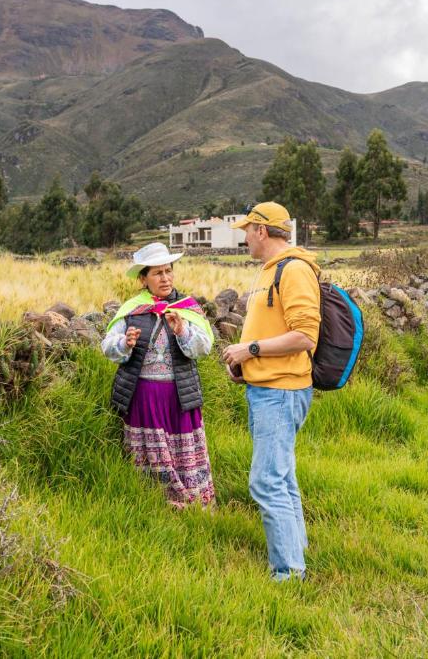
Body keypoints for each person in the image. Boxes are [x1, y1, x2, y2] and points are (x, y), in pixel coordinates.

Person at [221, 202, 321, 582]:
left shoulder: (293, 270)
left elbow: (304, 335)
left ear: (262, 231)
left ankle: (289, 573)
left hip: (281, 392)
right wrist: (247, 368)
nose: (245, 237)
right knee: (282, 476)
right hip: (267, 388)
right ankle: (298, 552)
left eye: (248, 230)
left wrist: (250, 351)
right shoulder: (271, 272)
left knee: (265, 481)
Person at [101, 242, 216, 508]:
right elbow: (108, 347)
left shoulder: (187, 308)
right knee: (150, 454)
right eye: (157, 273)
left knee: (181, 453)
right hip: (143, 397)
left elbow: (204, 348)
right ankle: (151, 503)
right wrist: (125, 344)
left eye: (168, 271)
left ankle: (194, 501)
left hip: (179, 397)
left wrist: (182, 332)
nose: (165, 278)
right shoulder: (132, 310)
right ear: (143, 279)